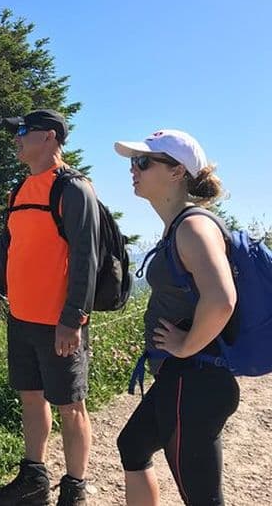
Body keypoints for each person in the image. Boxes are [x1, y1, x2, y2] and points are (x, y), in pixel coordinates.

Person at [114, 130, 239, 506]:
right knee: (132, 444)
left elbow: (221, 300)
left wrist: (185, 345)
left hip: (196, 384)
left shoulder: (193, 226)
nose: (133, 169)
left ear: (177, 172)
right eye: (134, 161)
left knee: (203, 500)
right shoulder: (179, 227)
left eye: (143, 162)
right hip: (185, 380)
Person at [0, 109, 99, 506]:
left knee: (71, 405)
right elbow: (8, 248)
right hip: (23, 318)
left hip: (59, 323)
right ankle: (34, 479)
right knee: (31, 398)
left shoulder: (73, 188)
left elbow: (87, 259)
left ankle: (75, 489)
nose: (16, 137)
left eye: (22, 131)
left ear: (48, 137)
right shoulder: (20, 191)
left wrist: (73, 319)